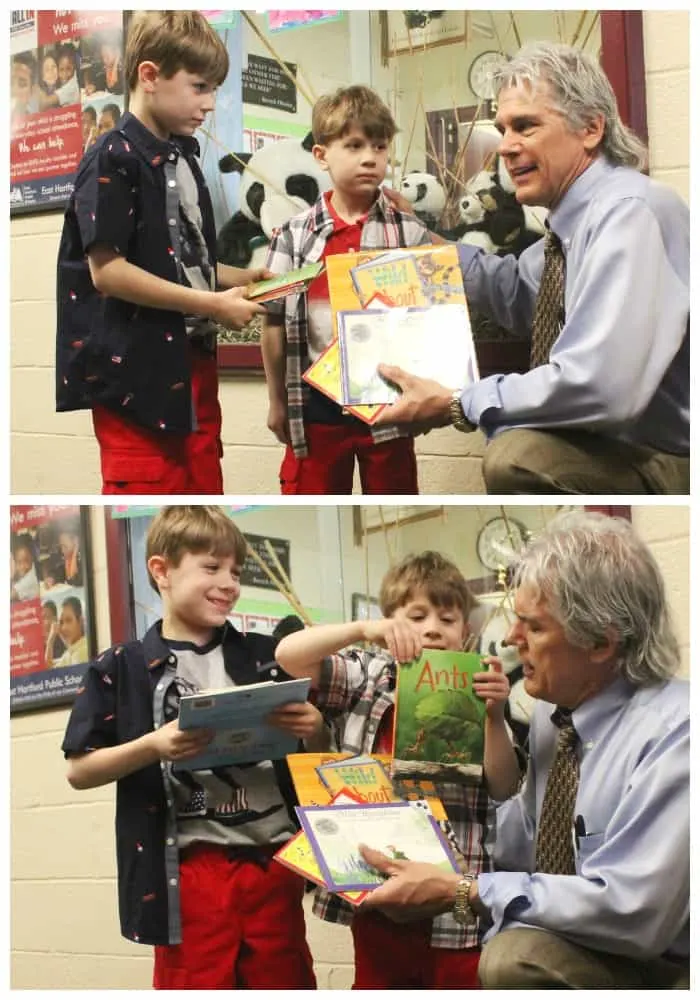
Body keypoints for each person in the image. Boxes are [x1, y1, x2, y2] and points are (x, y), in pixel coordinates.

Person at [355, 511, 689, 988]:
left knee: (512, 957)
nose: (511, 639)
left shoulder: (677, 732)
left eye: (532, 627)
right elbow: (517, 852)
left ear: (599, 643)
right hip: (590, 945)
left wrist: (465, 890)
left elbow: (633, 912)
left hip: (662, 962)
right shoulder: (555, 724)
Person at [379, 42, 689, 495]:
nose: (505, 146)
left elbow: (598, 386)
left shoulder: (629, 212)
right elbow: (519, 291)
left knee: (515, 458)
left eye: (525, 126)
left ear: (590, 128)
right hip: (619, 443)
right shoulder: (572, 222)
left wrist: (459, 403)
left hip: (667, 454)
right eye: (503, 128)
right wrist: (424, 244)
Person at [61, 505, 321, 988]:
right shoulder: (120, 667)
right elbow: (79, 770)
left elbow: (314, 759)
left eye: (236, 571)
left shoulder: (267, 655)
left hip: (274, 868)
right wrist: (154, 745)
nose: (229, 583)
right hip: (188, 875)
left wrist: (315, 727)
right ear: (160, 570)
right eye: (211, 567)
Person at [275, 551, 521, 988]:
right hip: (377, 890)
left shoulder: (477, 686)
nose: (431, 628)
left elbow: (504, 786)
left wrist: (494, 716)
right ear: (389, 622)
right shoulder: (367, 676)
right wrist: (363, 630)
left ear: (466, 632)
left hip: (455, 903)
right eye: (415, 616)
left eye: (447, 618)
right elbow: (289, 657)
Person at [55, 11, 271, 494]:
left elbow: (180, 264)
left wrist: (241, 278)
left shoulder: (184, 159)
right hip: (136, 377)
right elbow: (108, 273)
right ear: (149, 76)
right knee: (159, 486)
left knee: (204, 487)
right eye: (199, 87)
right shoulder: (112, 156)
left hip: (192, 365)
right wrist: (215, 304)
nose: (211, 104)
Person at [262, 84, 431, 495]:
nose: (370, 157)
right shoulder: (292, 237)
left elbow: (429, 320)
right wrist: (277, 401)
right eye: (354, 145)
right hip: (316, 410)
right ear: (321, 155)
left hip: (386, 406)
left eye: (379, 145)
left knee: (394, 499)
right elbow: (273, 323)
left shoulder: (408, 232)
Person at [47, 596, 89, 668]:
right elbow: (49, 667)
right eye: (61, 622)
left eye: (69, 620)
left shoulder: (81, 652)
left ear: (80, 621)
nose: (64, 628)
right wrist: (50, 641)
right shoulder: (72, 651)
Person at [11, 533, 40, 602]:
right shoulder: (20, 575)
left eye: (26, 560)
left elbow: (12, 594)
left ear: (32, 557)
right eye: (19, 562)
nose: (23, 566)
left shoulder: (30, 578)